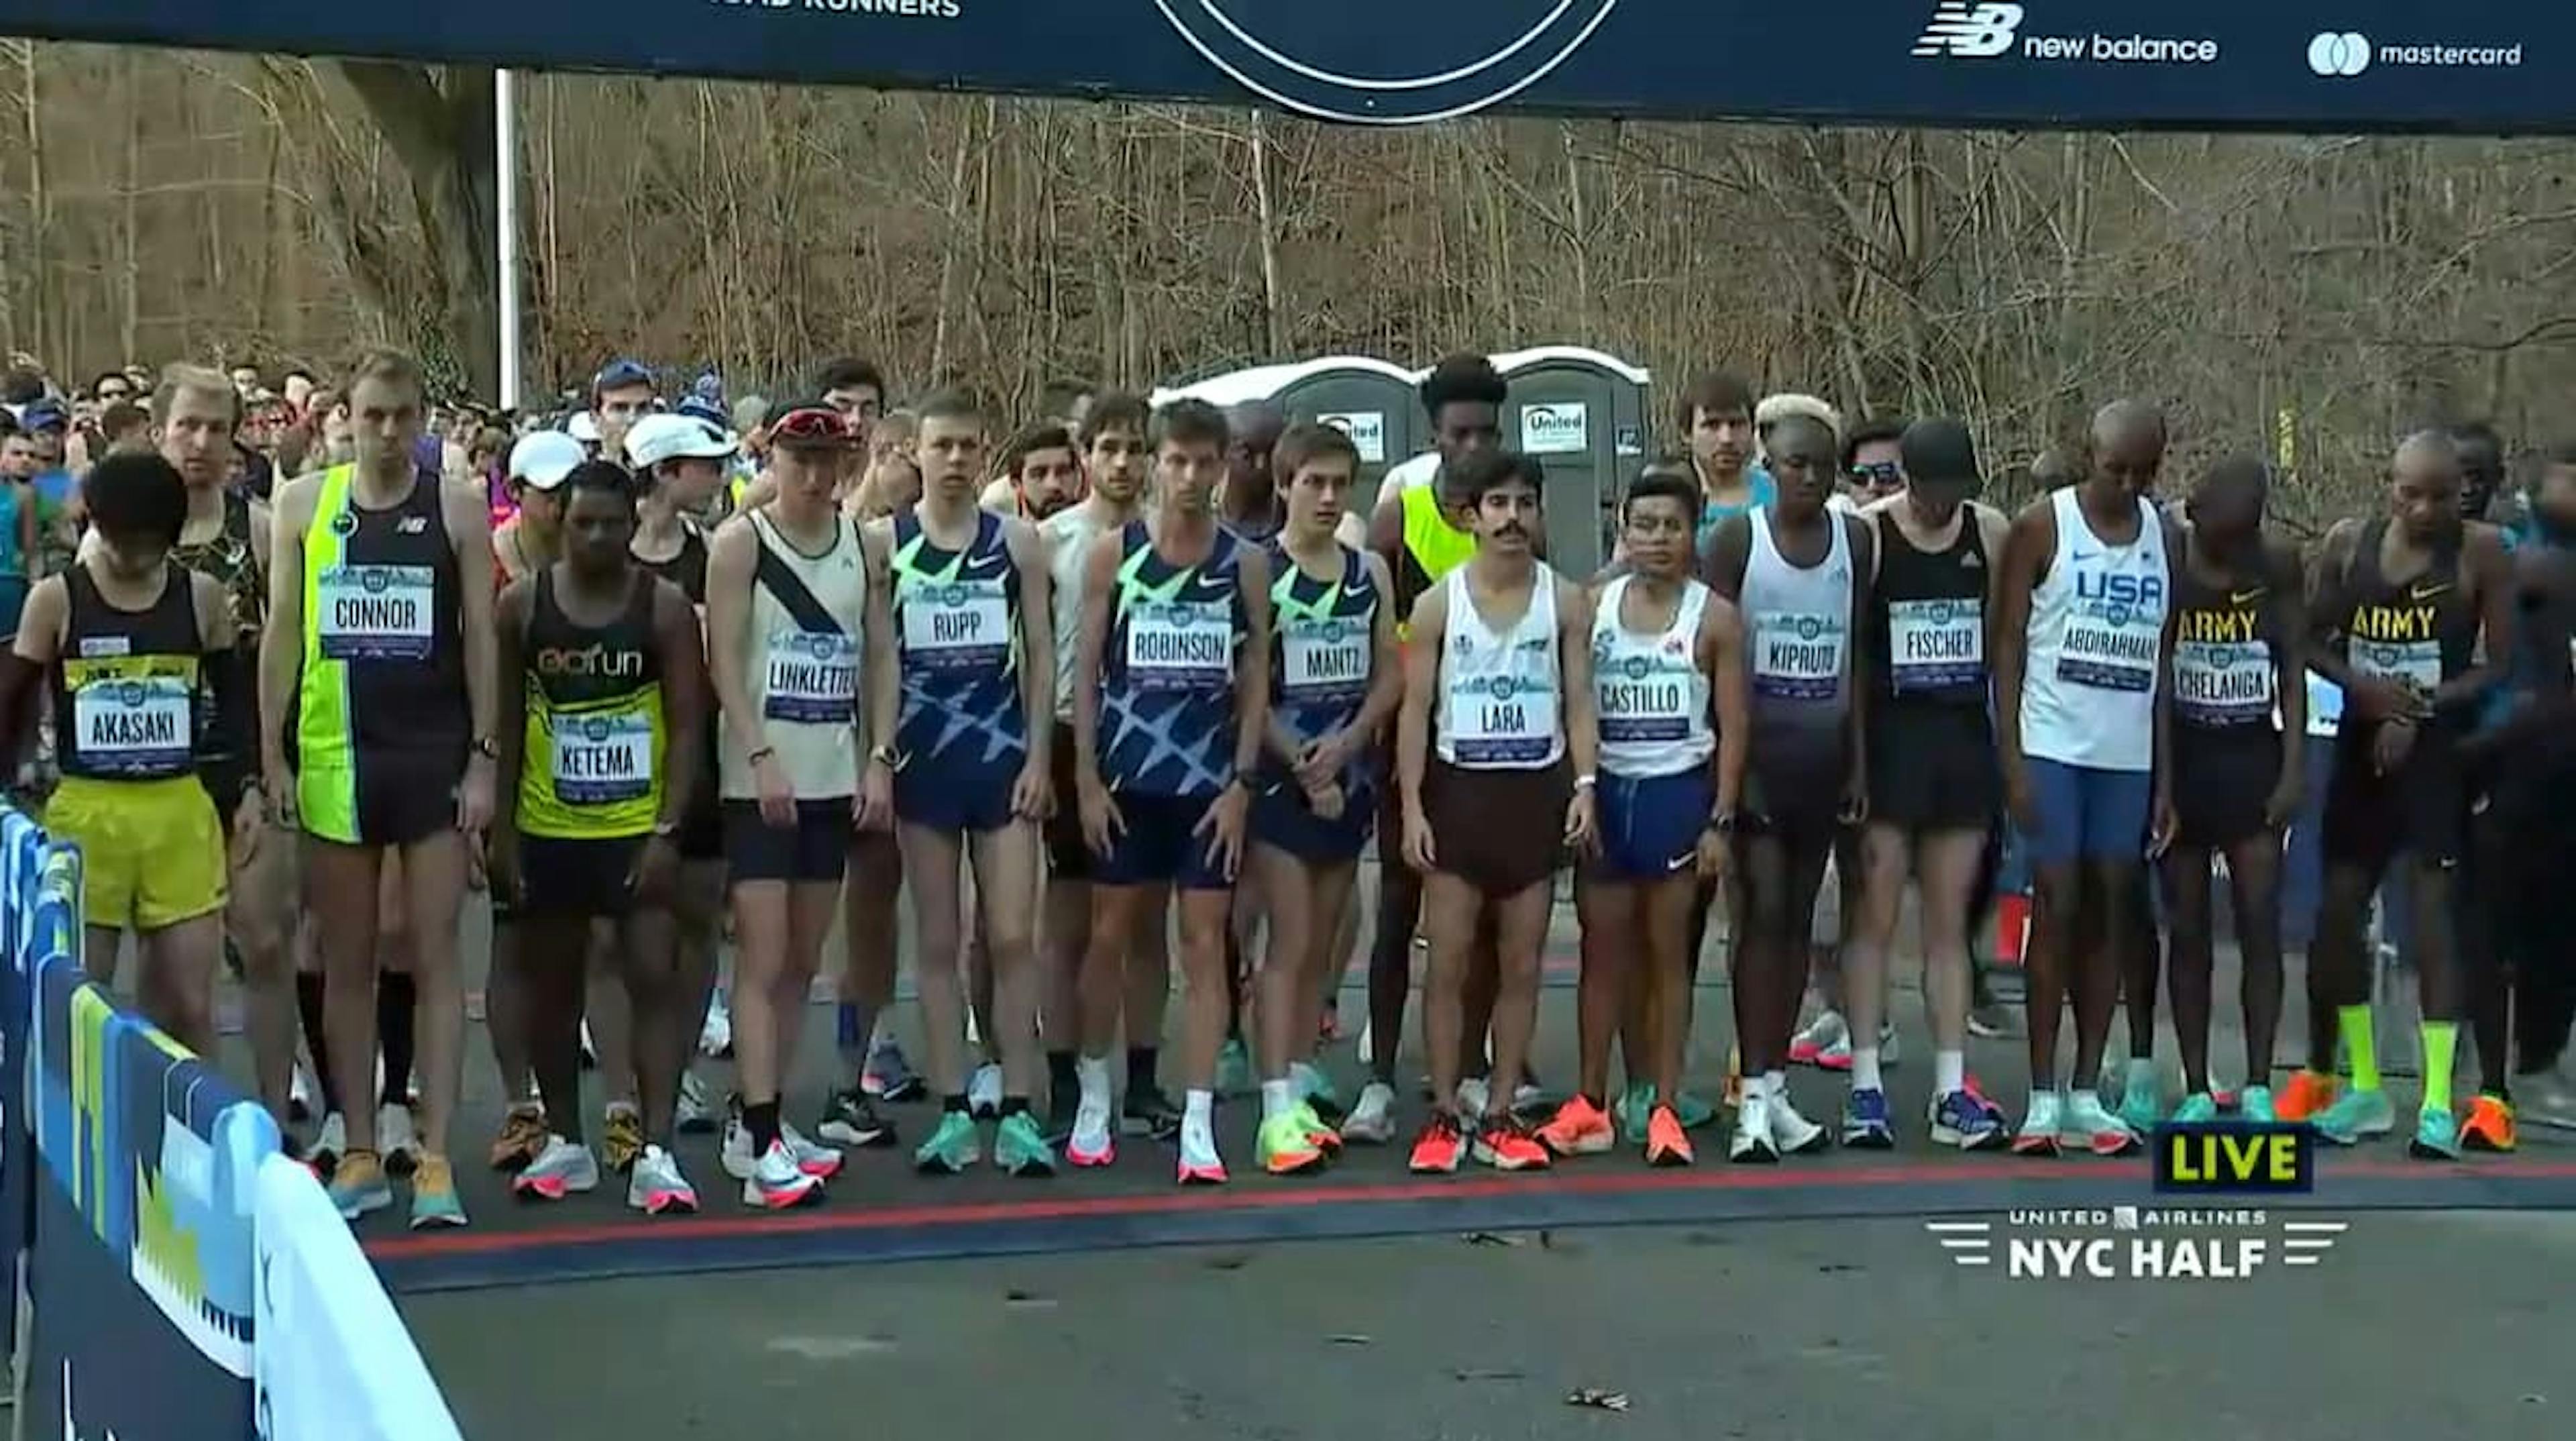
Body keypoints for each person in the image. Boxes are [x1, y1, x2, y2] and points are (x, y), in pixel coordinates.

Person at [262, 349, 496, 1227]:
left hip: (430, 757)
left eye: (404, 416)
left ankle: (434, 1152)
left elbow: (479, 638)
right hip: (335, 758)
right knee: (347, 961)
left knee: (434, 959)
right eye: (373, 417)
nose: (390, 433)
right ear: (344, 419)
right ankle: (357, 1142)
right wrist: (271, 755)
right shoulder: (303, 505)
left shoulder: (457, 507)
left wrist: (483, 758)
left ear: (424, 418)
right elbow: (282, 636)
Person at [490, 461, 706, 1212]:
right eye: (583, 522)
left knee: (653, 976)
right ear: (560, 522)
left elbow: (687, 729)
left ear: (632, 524)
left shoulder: (665, 608)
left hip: (634, 828)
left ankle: (657, 1148)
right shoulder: (522, 607)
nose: (597, 537)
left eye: (612, 524)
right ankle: (566, 1138)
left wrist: (667, 832)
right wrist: (504, 835)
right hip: (549, 826)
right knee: (553, 988)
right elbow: (508, 727)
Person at [2292, 431, 2512, 1158]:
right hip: (2361, 753)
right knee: (2338, 916)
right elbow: (2310, 638)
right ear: (2387, 485)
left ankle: (2440, 1102)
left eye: (2439, 496)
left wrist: (2418, 708)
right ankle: (2363, 1087)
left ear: (2461, 494)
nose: (2423, 509)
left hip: (2433, 753)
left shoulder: (2481, 553)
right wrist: (2364, 691)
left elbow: (2497, 666)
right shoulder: (2350, 544)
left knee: (2432, 920)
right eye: (2408, 493)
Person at [1070, 398, 1271, 1183]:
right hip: (1126, 782)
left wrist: (1243, 783)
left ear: (1223, 468)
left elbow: (1255, 676)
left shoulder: (1244, 561)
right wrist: (1085, 779)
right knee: (1111, 938)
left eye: (1204, 463)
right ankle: (1094, 1096)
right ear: (1155, 465)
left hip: (1206, 787)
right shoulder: (1111, 555)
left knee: (1203, 948)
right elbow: (1086, 673)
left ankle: (1196, 1120)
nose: (1189, 478)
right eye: (1176, 461)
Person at [863, 389, 1057, 1177]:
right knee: (938, 942)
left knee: (1011, 939)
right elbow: (880, 660)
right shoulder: (885, 543)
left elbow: (1041, 653)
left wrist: (1041, 757)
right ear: (916, 453)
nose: (953, 461)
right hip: (923, 764)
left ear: (985, 456)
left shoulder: (1017, 542)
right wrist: (879, 754)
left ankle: (1016, 1106)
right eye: (940, 447)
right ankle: (950, 1108)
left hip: (1002, 759)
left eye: (967, 448)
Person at [0, 452, 248, 1052]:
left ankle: (187, 1139)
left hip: (178, 814)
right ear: (97, 526)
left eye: (147, 545)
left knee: (190, 1005)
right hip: (89, 814)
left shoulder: (202, 598)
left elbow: (239, 706)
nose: (132, 558)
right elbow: (12, 700)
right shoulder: (57, 600)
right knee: (82, 1001)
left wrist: (250, 789)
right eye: (119, 542)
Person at [1397, 447, 1594, 1173]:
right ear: (1470, 517)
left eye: (1525, 504)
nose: (1513, 518)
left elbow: (1579, 702)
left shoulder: (1565, 600)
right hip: (1459, 796)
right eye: (1499, 505)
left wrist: (1586, 786)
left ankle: (1504, 1109)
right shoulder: (1437, 604)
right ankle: (1447, 1112)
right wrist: (1413, 807)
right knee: (1447, 966)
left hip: (1533, 796)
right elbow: (1415, 713)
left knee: (1521, 964)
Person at [1541, 469, 1745, 1167]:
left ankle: (1662, 1104)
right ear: (1622, 529)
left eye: (1673, 526)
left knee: (1667, 961)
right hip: (1608, 794)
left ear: (1694, 535)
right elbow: (1573, 705)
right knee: (1602, 957)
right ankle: (1591, 1101)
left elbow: (1735, 729)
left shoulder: (1713, 616)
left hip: (1677, 795)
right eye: (1645, 524)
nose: (1658, 539)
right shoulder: (1592, 605)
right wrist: (1580, 788)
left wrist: (1720, 820)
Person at [1992, 400, 2177, 1157]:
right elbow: (2003, 646)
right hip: (2052, 745)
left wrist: (2166, 779)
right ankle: (2040, 1093)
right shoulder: (2044, 525)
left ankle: (2085, 1088)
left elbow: (2164, 665)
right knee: (2058, 905)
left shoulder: (2166, 535)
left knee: (2112, 910)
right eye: (2114, 468)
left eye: (2142, 471)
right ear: (2087, 454)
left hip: (2126, 756)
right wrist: (2010, 759)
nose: (2126, 483)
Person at [1350, 354, 1521, 1143]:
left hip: (1498, 750)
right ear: (1434, 434)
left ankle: (1479, 1066)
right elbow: (1372, 634)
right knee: (1399, 908)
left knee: (1485, 919)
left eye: (1487, 429)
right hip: (1416, 741)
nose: (1474, 444)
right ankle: (1381, 1078)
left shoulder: (1517, 508)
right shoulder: (1401, 512)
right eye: (1460, 432)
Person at [706, 398, 868, 1208]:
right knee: (762, 960)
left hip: (833, 775)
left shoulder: (860, 546)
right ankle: (764, 1136)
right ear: (771, 459)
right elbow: (724, 663)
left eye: (825, 461)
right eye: (797, 459)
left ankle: (756, 1116)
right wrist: (760, 755)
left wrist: (878, 757)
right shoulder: (741, 544)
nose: (811, 475)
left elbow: (879, 659)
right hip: (758, 783)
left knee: (804, 960)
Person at [1703, 413, 1868, 1161]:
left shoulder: (1853, 541)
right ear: (1770, 465)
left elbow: (1857, 656)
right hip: (1758, 758)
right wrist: (1732, 777)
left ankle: (1774, 1091)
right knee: (1760, 921)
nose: (1809, 477)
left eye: (1823, 467)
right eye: (1796, 464)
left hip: (1823, 759)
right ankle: (1751, 1093)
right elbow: (1709, 658)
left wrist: (1859, 763)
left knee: (1798, 925)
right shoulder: (1740, 541)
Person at [1843, 418, 2010, 1150]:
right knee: (1874, 920)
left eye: (1955, 491)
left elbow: (2007, 641)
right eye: (1930, 489)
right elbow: (1850, 653)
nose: (1943, 504)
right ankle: (1866, 1085)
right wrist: (1852, 760)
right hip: (1890, 744)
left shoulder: (1990, 533)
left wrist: (2010, 749)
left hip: (1960, 742)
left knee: (1948, 927)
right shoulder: (1872, 534)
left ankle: (1950, 1087)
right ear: (1907, 478)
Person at [1246, 423, 1399, 1174]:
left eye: (1341, 484)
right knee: (1292, 939)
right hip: (1283, 777)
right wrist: (1303, 761)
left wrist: (1348, 747)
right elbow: (1243, 687)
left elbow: (1389, 676)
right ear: (1283, 486)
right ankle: (1274, 1102)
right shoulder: (1257, 568)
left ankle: (1299, 1068)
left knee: (1328, 943)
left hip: (1352, 775)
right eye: (1314, 482)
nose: (1329, 497)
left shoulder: (1368, 570)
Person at [148, 366, 292, 1127]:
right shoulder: (118, 530)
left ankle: (271, 1121)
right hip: (151, 777)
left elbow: (281, 654)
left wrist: (267, 772)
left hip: (239, 767)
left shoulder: (260, 529)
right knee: (173, 974)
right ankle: (183, 1121)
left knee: (267, 946)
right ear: (158, 432)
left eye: (215, 428)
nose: (201, 444)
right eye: (187, 427)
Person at [1036, 393, 1168, 1144]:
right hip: (1067, 737)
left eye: (1135, 448)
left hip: (1151, 742)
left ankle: (1143, 1079)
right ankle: (1064, 1079)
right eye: (1109, 447)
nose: (1123, 462)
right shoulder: (1050, 540)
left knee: (1147, 924)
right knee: (1070, 925)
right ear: (1085, 455)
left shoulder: (1174, 540)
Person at [2158, 458, 2304, 1125]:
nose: (2238, 546)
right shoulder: (2168, 555)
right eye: (2228, 535)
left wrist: (2294, 769)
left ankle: (2255, 1084)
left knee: (2260, 922)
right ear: (2195, 515)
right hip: (2186, 758)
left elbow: (2294, 673)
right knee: (2188, 929)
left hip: (2252, 756)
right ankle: (2194, 1083)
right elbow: (2158, 676)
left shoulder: (2276, 564)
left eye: (2250, 532)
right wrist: (2162, 783)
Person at [624, 411, 739, 1141]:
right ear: (666, 473)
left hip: (699, 759)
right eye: (706, 464)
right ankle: (629, 1081)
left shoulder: (716, 554)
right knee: (624, 935)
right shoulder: (604, 547)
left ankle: (682, 1069)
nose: (721, 475)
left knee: (698, 923)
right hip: (619, 762)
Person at [494, 432, 584, 583]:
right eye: (548, 492)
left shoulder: (604, 553)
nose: (559, 505)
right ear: (513, 490)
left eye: (569, 490)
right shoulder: (488, 558)